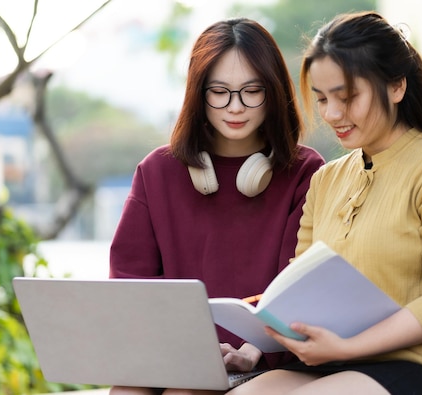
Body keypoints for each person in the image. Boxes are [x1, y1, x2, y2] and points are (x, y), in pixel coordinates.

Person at [228, 11, 422, 395]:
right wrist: (254, 347)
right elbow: (302, 292)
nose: (333, 114)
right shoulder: (326, 180)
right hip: (340, 367)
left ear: (397, 86)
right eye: (321, 99)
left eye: (348, 97)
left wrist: (350, 347)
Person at [108, 17, 325, 395]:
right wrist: (184, 349)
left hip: (266, 361)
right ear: (198, 93)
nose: (235, 107)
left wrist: (253, 349)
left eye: (251, 91)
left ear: (273, 92)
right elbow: (130, 284)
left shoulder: (305, 172)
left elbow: (300, 290)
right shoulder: (157, 171)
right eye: (219, 91)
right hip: (174, 355)